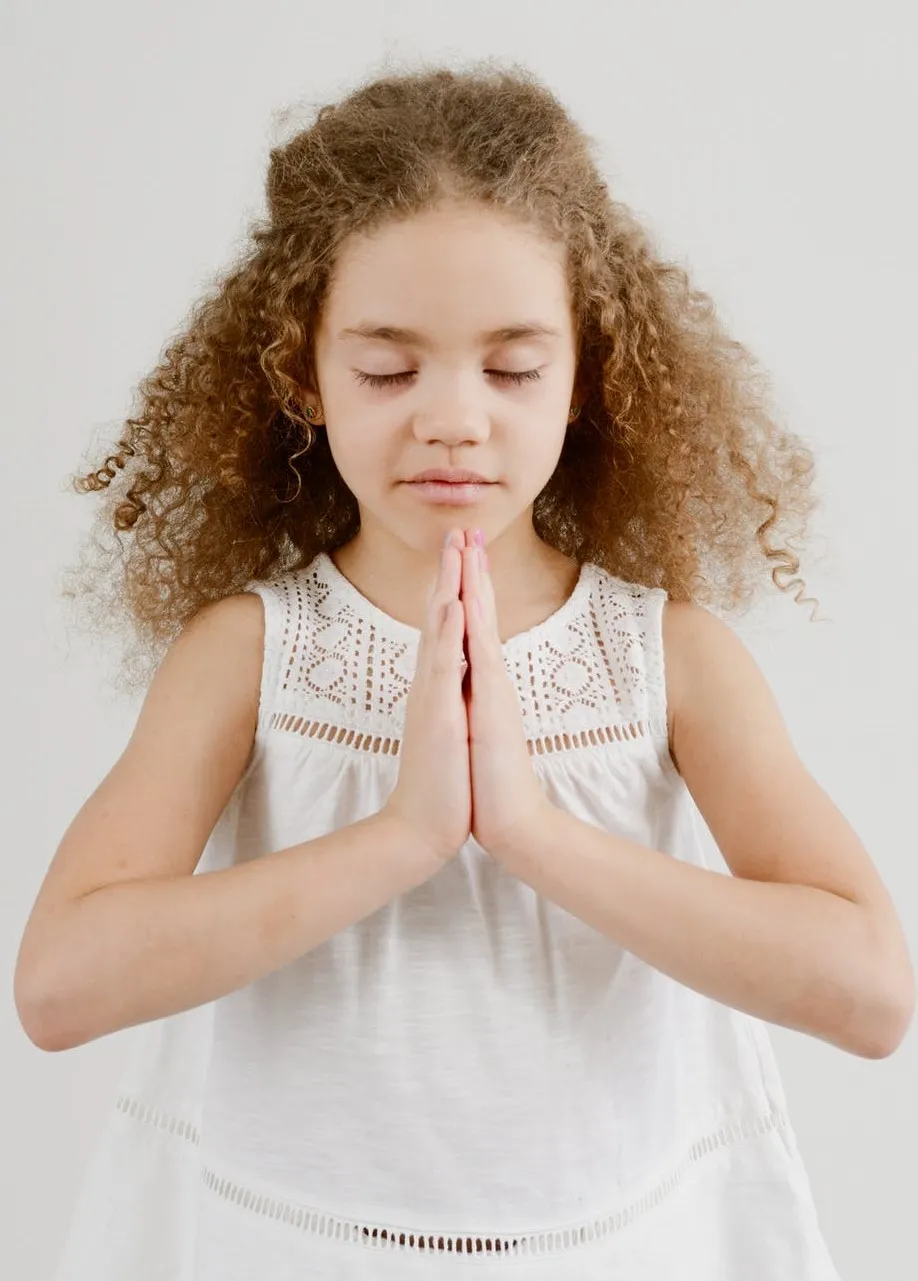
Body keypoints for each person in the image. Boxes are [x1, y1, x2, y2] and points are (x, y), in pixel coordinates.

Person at [14, 60, 914, 1281]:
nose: (452, 417)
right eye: (389, 369)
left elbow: (869, 996)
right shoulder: (252, 654)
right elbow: (60, 988)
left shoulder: (669, 659)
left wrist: (534, 833)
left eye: (512, 367)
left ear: (586, 374)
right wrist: (402, 838)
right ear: (301, 374)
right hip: (289, 1249)